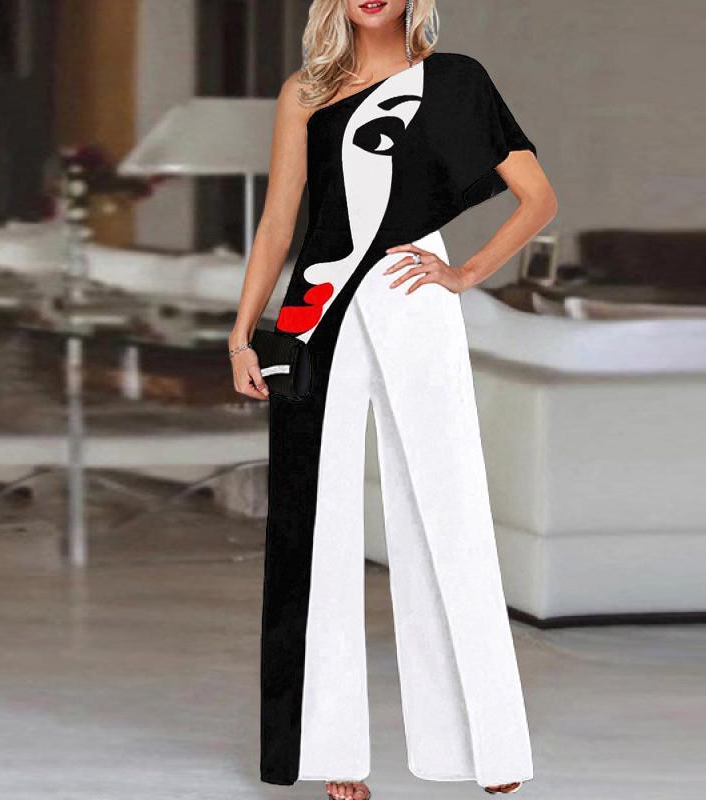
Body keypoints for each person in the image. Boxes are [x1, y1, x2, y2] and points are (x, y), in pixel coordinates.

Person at [227, 1, 557, 798]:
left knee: (447, 504)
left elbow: (538, 198)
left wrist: (465, 272)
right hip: (315, 310)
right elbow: (278, 224)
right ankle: (331, 752)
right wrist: (241, 336)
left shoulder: (455, 81)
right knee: (314, 522)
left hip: (415, 298)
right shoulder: (305, 90)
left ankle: (484, 748)